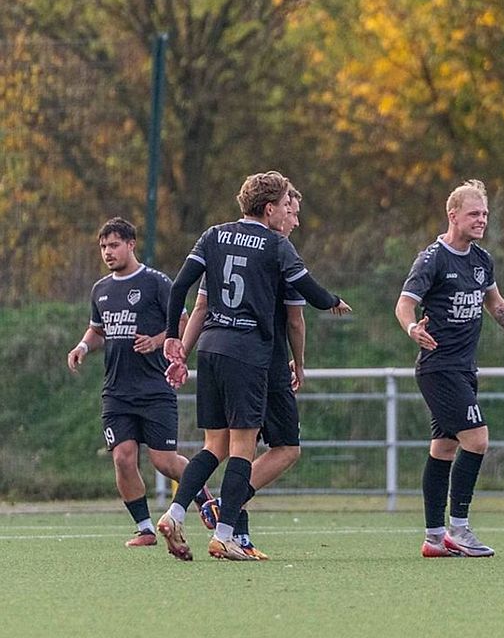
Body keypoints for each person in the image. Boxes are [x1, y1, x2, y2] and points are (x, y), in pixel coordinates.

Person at [157, 171, 350, 561]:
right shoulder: (275, 247)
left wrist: (173, 339)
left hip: (211, 347)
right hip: (248, 353)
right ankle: (226, 534)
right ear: (269, 208)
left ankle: (176, 512)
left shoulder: (213, 236)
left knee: (214, 446)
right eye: (285, 206)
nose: (290, 213)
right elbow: (309, 292)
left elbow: (181, 289)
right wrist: (333, 301)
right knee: (244, 447)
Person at [396, 179, 504, 558]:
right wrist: (413, 328)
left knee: (444, 448)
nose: (481, 220)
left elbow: (496, 304)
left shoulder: (481, 260)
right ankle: (459, 529)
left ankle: (434, 539)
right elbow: (404, 304)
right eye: (474, 214)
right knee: (477, 439)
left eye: (484, 214)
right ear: (453, 216)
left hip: (464, 368)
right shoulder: (432, 258)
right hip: (439, 367)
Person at [66, 217, 211, 547]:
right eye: (103, 246)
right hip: (116, 392)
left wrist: (160, 340)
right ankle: (145, 528)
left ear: (131, 244)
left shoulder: (156, 282)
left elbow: (184, 322)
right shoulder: (100, 289)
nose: (108, 252)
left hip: (154, 388)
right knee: (123, 457)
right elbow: (98, 330)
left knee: (163, 461)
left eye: (114, 245)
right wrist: (83, 346)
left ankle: (203, 496)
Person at [183, 186, 308, 560]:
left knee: (225, 446)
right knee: (280, 447)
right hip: (262, 365)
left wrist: (183, 351)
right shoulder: (280, 253)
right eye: (291, 210)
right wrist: (300, 364)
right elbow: (295, 319)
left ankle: (224, 511)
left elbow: (201, 304)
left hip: (222, 355)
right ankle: (227, 509)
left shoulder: (225, 247)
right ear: (274, 209)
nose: (295, 220)